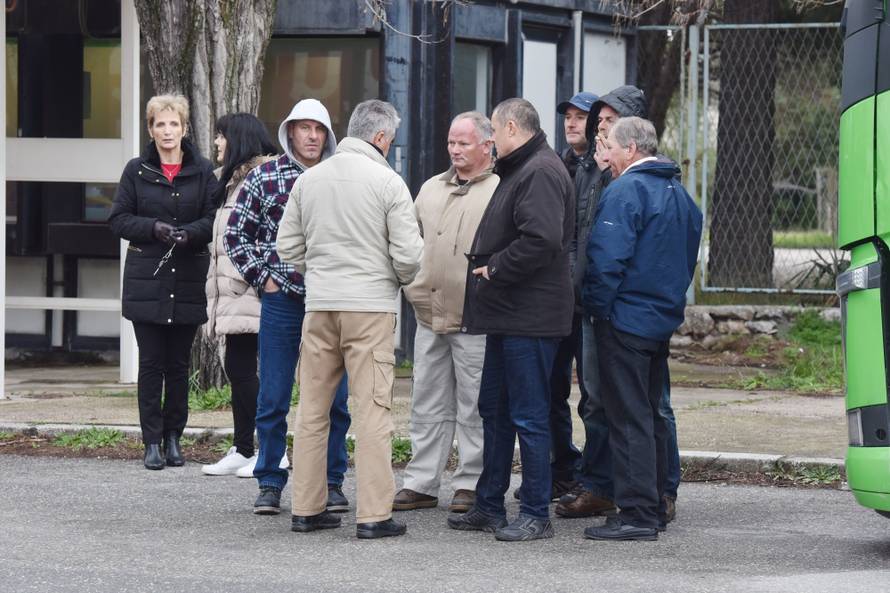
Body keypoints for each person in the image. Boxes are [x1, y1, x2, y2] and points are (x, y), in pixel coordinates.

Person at [277, 99, 423, 540]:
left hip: (320, 306)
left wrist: (318, 270)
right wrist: (393, 278)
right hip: (370, 307)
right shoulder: (388, 182)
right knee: (372, 411)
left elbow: (287, 247)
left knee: (311, 411)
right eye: (390, 140)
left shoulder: (309, 179)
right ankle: (374, 514)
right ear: (380, 138)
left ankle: (306, 507)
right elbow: (410, 255)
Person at [448, 98, 574, 542]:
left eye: (495, 133)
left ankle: (536, 512)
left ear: (512, 128)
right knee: (495, 410)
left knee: (528, 415)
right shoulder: (524, 167)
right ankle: (489, 505)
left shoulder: (539, 169)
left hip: (530, 317)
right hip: (509, 315)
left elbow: (542, 240)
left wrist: (495, 267)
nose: (492, 142)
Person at [225, 99, 352, 515]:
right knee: (274, 394)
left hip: (332, 299)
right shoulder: (265, 176)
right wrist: (264, 278)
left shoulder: (342, 176)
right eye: (304, 128)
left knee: (335, 398)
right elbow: (235, 235)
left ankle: (332, 482)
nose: (312, 136)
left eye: (319, 129)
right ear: (290, 132)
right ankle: (269, 480)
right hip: (283, 300)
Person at [581, 116, 702, 541]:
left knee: (628, 417)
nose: (605, 155)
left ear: (631, 149)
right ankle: (648, 505)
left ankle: (636, 514)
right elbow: (685, 262)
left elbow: (606, 261)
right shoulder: (680, 195)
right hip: (658, 321)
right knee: (648, 415)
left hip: (624, 321)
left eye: (609, 146)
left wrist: (597, 309)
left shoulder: (626, 190)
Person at [394, 112, 498, 513]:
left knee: (474, 404)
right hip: (428, 313)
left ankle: (471, 482)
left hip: (475, 317)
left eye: (463, 143)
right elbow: (410, 241)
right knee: (427, 401)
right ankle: (421, 482)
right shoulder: (431, 188)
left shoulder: (499, 189)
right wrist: (412, 288)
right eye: (451, 143)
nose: (454, 150)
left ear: (487, 145)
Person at [109, 94, 217, 470]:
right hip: (147, 279)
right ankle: (151, 441)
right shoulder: (136, 170)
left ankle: (175, 437)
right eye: (160, 124)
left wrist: (190, 233)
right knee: (152, 363)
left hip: (187, 277)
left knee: (179, 364)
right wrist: (153, 228)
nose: (167, 131)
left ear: (184, 129)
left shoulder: (202, 171)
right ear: (151, 129)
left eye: (174, 124)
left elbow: (213, 218)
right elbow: (118, 219)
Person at [556, 85, 648, 519]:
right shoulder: (587, 170)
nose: (596, 129)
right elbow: (575, 236)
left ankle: (649, 493)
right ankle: (599, 485)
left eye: (607, 122)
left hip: (627, 309)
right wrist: (578, 287)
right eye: (599, 122)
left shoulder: (646, 175)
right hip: (588, 302)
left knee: (642, 404)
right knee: (592, 398)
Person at [201, 113, 277, 476]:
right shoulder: (228, 182)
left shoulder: (263, 179)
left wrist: (255, 281)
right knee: (239, 368)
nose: (216, 143)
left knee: (249, 371)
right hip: (231, 293)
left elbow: (269, 237)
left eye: (221, 136)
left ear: (240, 139)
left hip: (252, 291)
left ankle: (272, 450)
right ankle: (244, 447)